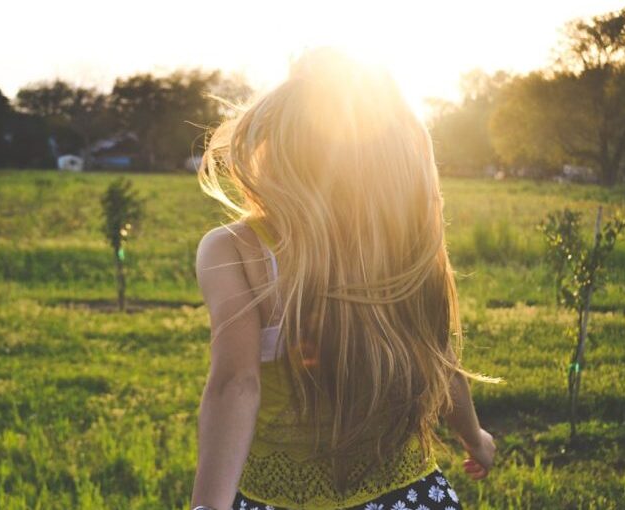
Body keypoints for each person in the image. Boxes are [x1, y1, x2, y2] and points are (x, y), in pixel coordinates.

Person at [191, 47, 499, 510]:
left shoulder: (235, 249)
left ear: (278, 140)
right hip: (409, 496)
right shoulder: (403, 245)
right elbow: (440, 353)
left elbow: (237, 384)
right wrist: (473, 436)